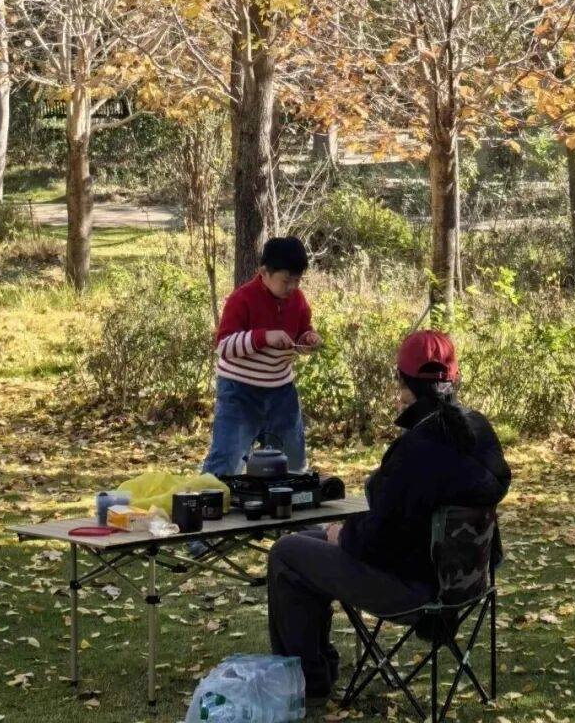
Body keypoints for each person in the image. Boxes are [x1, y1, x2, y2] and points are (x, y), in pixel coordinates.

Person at [267, 330, 511, 700]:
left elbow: (379, 539)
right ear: (454, 378)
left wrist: (344, 535)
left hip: (414, 589)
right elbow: (402, 522)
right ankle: (315, 668)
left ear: (404, 384)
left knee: (286, 553)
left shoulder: (417, 447)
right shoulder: (479, 429)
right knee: (307, 540)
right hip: (463, 583)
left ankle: (309, 681)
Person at [202, 235, 321, 477]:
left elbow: (300, 333)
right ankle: (213, 495)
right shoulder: (242, 299)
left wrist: (308, 339)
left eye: (297, 281)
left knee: (291, 461)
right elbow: (224, 346)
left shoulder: (297, 300)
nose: (292, 287)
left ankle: (286, 497)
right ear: (264, 272)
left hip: (281, 391)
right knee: (227, 458)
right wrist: (263, 337)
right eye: (286, 281)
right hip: (239, 391)